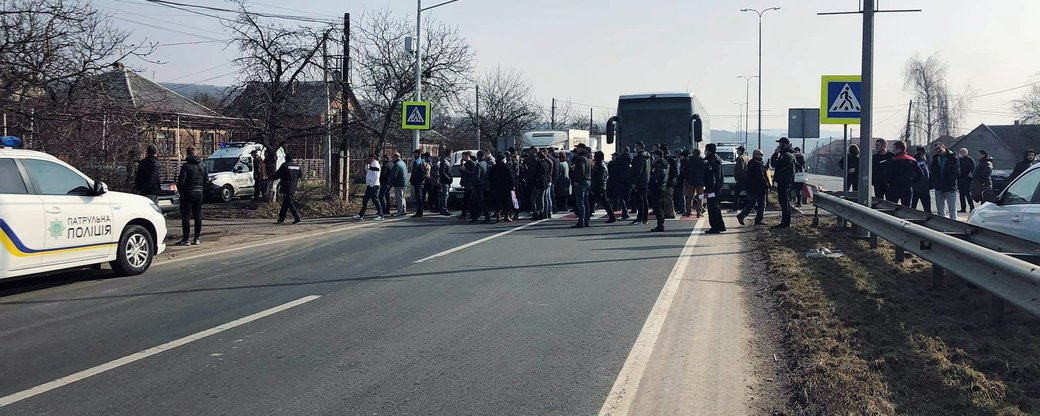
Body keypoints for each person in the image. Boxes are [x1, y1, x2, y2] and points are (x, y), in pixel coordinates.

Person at [175, 146, 206, 245]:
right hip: (199, 193)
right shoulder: (203, 166)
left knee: (186, 216)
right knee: (198, 216)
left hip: (187, 193)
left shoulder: (186, 166)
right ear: (196, 153)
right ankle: (196, 238)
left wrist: (181, 192)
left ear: (187, 154)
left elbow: (181, 182)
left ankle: (186, 239)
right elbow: (206, 180)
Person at [929, 142, 961, 220]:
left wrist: (950, 182)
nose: (938, 150)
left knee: (952, 209)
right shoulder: (935, 158)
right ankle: (941, 224)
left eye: (939, 148)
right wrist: (934, 182)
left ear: (943, 147)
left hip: (950, 187)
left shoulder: (953, 157)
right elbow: (933, 171)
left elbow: (956, 172)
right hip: (939, 186)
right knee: (940, 209)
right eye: (936, 149)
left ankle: (954, 224)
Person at [736, 149, 768, 226]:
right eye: (758, 154)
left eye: (761, 155)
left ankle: (741, 215)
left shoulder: (751, 163)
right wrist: (765, 185)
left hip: (750, 187)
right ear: (754, 155)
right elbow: (760, 176)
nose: (760, 156)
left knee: (752, 203)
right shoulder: (757, 164)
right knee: (761, 204)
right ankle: (758, 220)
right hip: (758, 187)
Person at [884, 141, 920, 207]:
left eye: (894, 148)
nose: (893, 150)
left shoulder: (893, 160)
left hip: (894, 187)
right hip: (907, 187)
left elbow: (887, 174)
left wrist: (889, 182)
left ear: (899, 149)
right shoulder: (912, 160)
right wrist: (912, 181)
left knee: (891, 207)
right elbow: (920, 174)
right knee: (907, 208)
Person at [770, 137, 796, 229]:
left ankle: (785, 223)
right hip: (783, 181)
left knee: (784, 202)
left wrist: (775, 153)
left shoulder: (786, 155)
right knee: (783, 202)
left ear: (783, 144)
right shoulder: (786, 154)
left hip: (784, 181)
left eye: (780, 144)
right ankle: (784, 222)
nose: (778, 145)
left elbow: (774, 164)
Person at [272, 154, 302, 224]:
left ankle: (297, 217)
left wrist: (271, 177)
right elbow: (300, 175)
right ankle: (281, 218)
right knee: (286, 202)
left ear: (286, 159)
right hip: (294, 186)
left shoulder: (285, 166)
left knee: (289, 202)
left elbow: (277, 174)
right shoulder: (297, 166)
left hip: (286, 186)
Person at [353, 153, 384, 220]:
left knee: (375, 200)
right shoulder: (372, 164)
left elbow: (376, 176)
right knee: (365, 199)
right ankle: (361, 215)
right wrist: (366, 165)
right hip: (370, 185)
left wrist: (372, 184)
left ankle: (381, 215)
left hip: (374, 185)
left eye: (369, 158)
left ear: (372, 158)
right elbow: (368, 172)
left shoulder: (376, 165)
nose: (368, 159)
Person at [703, 143, 726, 234]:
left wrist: (708, 190)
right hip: (717, 188)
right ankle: (720, 226)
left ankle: (715, 227)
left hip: (713, 189)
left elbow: (712, 178)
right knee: (716, 207)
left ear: (708, 150)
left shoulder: (711, 161)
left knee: (712, 208)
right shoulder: (717, 158)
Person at [591, 151, 617, 224]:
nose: (594, 157)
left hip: (600, 187)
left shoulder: (601, 166)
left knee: (605, 202)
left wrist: (596, 186)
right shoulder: (598, 164)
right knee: (592, 201)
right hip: (598, 186)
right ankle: (587, 216)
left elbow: (600, 178)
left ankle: (612, 217)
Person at [489, 152, 515, 222]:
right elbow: (511, 177)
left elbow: (490, 178)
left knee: (497, 202)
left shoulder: (493, 167)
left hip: (496, 188)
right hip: (506, 188)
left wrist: (491, 186)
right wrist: (512, 186)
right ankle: (506, 216)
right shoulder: (506, 167)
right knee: (506, 202)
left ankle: (498, 217)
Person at [629, 142, 651, 225]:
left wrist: (634, 182)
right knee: (644, 200)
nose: (635, 148)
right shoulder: (647, 157)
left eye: (636, 147)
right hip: (645, 181)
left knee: (639, 200)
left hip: (639, 182)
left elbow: (637, 171)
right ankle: (644, 218)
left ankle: (640, 218)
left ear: (639, 147)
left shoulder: (639, 158)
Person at [647, 150, 669, 232]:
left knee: (657, 207)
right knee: (660, 206)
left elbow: (655, 178)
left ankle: (660, 224)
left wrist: (650, 185)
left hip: (657, 187)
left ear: (658, 156)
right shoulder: (665, 164)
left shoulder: (658, 166)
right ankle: (661, 223)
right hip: (662, 186)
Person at [571, 148, 591, 228]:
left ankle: (581, 221)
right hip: (588, 181)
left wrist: (577, 180)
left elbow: (581, 171)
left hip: (581, 182)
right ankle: (586, 220)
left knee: (580, 202)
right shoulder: (588, 160)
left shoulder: (581, 159)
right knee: (586, 202)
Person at [682, 148, 706, 217]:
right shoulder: (702, 161)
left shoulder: (689, 161)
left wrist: (687, 179)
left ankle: (688, 211)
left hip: (691, 181)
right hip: (700, 182)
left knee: (690, 197)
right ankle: (699, 212)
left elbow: (685, 171)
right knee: (700, 198)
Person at [470, 150, 491, 223]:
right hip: (486, 185)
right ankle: (476, 217)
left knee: (480, 202)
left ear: (478, 157)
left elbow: (476, 177)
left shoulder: (478, 165)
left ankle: (486, 217)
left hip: (479, 186)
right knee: (481, 202)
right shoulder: (486, 164)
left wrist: (474, 185)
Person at [409, 149, 430, 217]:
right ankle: (420, 211)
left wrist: (412, 180)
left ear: (418, 154)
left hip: (417, 182)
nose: (414, 155)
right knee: (420, 197)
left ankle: (419, 212)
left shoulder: (417, 162)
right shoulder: (422, 161)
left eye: (415, 153)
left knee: (419, 197)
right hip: (421, 181)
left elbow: (414, 173)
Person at [911, 146, 932, 213]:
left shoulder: (913, 160)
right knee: (926, 208)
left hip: (917, 187)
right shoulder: (922, 161)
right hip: (921, 187)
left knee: (913, 207)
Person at [615, 147, 633, 219]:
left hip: (620, 180)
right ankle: (626, 210)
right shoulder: (632, 159)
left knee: (621, 196)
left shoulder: (619, 159)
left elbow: (615, 170)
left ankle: (624, 211)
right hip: (629, 180)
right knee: (627, 196)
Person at [661, 144, 678, 219]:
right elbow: (675, 172)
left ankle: (669, 212)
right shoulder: (672, 158)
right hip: (671, 181)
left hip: (667, 181)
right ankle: (669, 212)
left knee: (667, 197)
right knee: (669, 197)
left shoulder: (665, 159)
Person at [956, 148, 976, 213]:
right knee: (961, 195)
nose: (960, 153)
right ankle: (963, 208)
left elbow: (973, 170)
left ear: (965, 153)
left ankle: (972, 207)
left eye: (962, 152)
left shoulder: (970, 160)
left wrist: (969, 176)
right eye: (960, 152)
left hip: (967, 180)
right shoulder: (958, 160)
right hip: (960, 180)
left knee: (968, 194)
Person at [731, 146, 750, 212]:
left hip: (741, 178)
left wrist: (737, 177)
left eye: (738, 150)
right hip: (747, 178)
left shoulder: (740, 158)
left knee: (737, 194)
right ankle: (752, 207)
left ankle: (735, 208)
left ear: (740, 151)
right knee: (748, 193)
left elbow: (739, 169)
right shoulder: (747, 158)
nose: (737, 151)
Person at [458, 151, 475, 219]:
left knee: (468, 200)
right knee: (466, 200)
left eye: (463, 156)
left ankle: (468, 214)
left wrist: (464, 171)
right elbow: (462, 172)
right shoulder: (466, 163)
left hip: (470, 185)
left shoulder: (472, 164)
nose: (463, 158)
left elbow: (472, 174)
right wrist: (461, 164)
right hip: (466, 184)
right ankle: (464, 214)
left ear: (467, 156)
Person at [538, 151, 554, 220]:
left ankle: (545, 212)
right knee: (548, 196)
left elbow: (544, 172)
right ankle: (549, 211)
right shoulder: (550, 161)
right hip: (549, 179)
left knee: (544, 197)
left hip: (546, 180)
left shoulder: (545, 162)